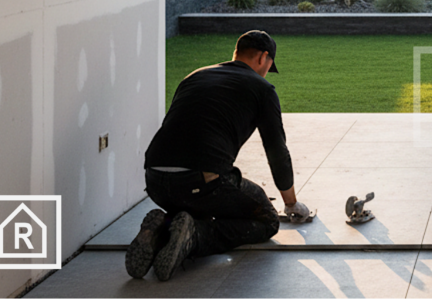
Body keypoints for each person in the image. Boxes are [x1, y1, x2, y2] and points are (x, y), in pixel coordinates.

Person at [125, 30, 309, 281]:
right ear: (262, 57)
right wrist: (291, 203)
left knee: (199, 209)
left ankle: (161, 229)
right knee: (266, 220)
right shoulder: (262, 89)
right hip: (200, 182)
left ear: (236, 52)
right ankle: (194, 238)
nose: (267, 71)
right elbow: (277, 151)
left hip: (155, 181)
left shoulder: (194, 76)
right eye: (269, 65)